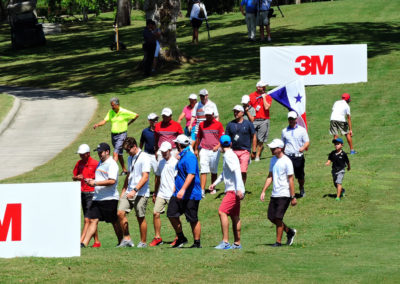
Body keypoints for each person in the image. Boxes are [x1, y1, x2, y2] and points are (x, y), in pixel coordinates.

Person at [81, 143, 122, 248]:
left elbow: (112, 181)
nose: (99, 154)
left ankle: (122, 241)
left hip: (109, 198)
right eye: (98, 152)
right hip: (98, 197)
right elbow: (100, 178)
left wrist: (95, 183)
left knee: (114, 221)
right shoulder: (101, 163)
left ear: (107, 152)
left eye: (101, 152)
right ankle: (83, 244)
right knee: (93, 219)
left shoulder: (112, 164)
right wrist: (92, 180)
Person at [209, 135, 245, 250]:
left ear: (220, 145)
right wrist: (215, 183)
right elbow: (225, 174)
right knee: (235, 216)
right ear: (230, 144)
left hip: (232, 190)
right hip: (234, 189)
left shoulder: (229, 156)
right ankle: (237, 243)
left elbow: (237, 172)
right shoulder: (229, 155)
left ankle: (225, 242)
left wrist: (239, 189)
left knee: (222, 212)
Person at [260, 138, 297, 247]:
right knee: (271, 217)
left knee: (278, 217)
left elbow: (291, 179)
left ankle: (278, 242)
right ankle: (290, 232)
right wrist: (263, 191)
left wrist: (293, 197)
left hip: (284, 194)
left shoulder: (287, 161)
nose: (271, 149)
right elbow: (270, 176)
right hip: (274, 194)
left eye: (273, 148)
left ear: (280, 149)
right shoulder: (273, 160)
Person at [167, 134, 202, 248]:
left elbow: (191, 175)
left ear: (178, 144)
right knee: (171, 213)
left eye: (176, 143)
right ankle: (181, 237)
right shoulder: (183, 156)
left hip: (190, 194)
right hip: (178, 193)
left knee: (192, 218)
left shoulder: (190, 157)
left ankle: (197, 243)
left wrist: (182, 189)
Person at [117, 137, 151, 248]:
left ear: (134, 146)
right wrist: (124, 190)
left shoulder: (144, 157)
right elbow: (129, 175)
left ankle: (143, 242)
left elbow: (145, 177)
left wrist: (135, 190)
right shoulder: (130, 158)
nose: (127, 153)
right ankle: (127, 239)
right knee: (120, 213)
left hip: (141, 192)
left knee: (140, 216)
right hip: (129, 191)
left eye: (128, 150)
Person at [93, 97, 139, 175]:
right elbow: (105, 121)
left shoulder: (124, 112)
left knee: (115, 153)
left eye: (113, 105)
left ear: (118, 105)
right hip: (113, 135)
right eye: (111, 105)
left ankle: (111, 171)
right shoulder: (111, 112)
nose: (112, 107)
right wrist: (98, 124)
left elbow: (136, 115)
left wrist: (129, 123)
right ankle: (124, 170)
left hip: (122, 134)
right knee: (119, 153)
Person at [150, 141, 178, 247]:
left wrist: (176, 192)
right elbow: (157, 178)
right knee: (155, 213)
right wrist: (155, 192)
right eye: (162, 151)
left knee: (174, 216)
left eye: (165, 151)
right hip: (161, 193)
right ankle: (157, 237)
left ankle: (178, 237)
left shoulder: (175, 162)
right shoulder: (160, 162)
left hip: (172, 193)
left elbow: (178, 179)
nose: (163, 153)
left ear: (170, 150)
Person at [72, 144, 101, 247]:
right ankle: (97, 241)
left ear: (88, 154)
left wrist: (93, 181)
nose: (81, 156)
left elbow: (100, 178)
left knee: (87, 219)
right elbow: (73, 177)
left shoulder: (95, 164)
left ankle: (81, 241)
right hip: (82, 193)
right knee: (89, 218)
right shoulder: (79, 163)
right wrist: (77, 178)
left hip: (92, 193)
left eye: (83, 155)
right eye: (80, 155)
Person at [194, 107, 225, 196]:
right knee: (203, 169)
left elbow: (222, 138)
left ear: (213, 115)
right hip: (204, 149)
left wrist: (218, 146)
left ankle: (212, 187)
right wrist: (196, 149)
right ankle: (202, 190)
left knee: (213, 170)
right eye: (206, 115)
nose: (207, 117)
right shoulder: (202, 124)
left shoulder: (218, 124)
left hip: (214, 150)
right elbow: (198, 137)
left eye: (209, 115)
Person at [225, 105, 256, 184]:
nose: (235, 113)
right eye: (234, 112)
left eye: (237, 112)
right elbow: (226, 138)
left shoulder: (248, 124)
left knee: (243, 171)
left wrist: (254, 151)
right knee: (234, 171)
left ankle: (242, 188)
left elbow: (254, 136)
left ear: (242, 113)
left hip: (245, 151)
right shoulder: (230, 124)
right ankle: (235, 187)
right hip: (233, 151)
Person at [281, 111, 310, 198]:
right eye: (289, 119)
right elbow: (283, 144)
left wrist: (303, 147)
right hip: (288, 156)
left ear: (296, 119)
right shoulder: (284, 131)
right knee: (288, 175)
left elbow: (307, 142)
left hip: (298, 156)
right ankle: (289, 192)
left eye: (292, 119)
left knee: (300, 176)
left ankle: (301, 187)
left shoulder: (302, 130)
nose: (291, 121)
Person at [249, 80, 272, 161]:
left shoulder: (267, 96)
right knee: (253, 138)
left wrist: (264, 97)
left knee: (261, 139)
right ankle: (253, 152)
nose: (265, 88)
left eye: (264, 87)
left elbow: (266, 107)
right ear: (258, 87)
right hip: (254, 120)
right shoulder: (251, 96)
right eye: (263, 87)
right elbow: (248, 107)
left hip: (264, 120)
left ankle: (257, 156)